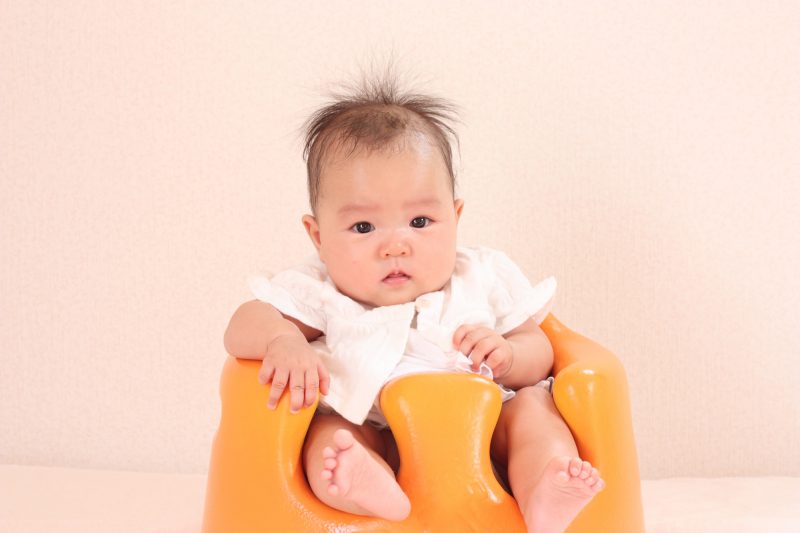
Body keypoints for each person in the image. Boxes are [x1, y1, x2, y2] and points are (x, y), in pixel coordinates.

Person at [223, 78, 604, 533]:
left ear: (455, 218)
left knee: (532, 412)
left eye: (420, 221)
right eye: (364, 227)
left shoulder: (481, 274)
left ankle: (545, 487)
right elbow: (244, 323)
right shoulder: (320, 288)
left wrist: (508, 354)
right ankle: (364, 485)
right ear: (318, 236)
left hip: (484, 435)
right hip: (371, 424)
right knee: (331, 441)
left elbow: (539, 350)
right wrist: (282, 340)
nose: (395, 246)